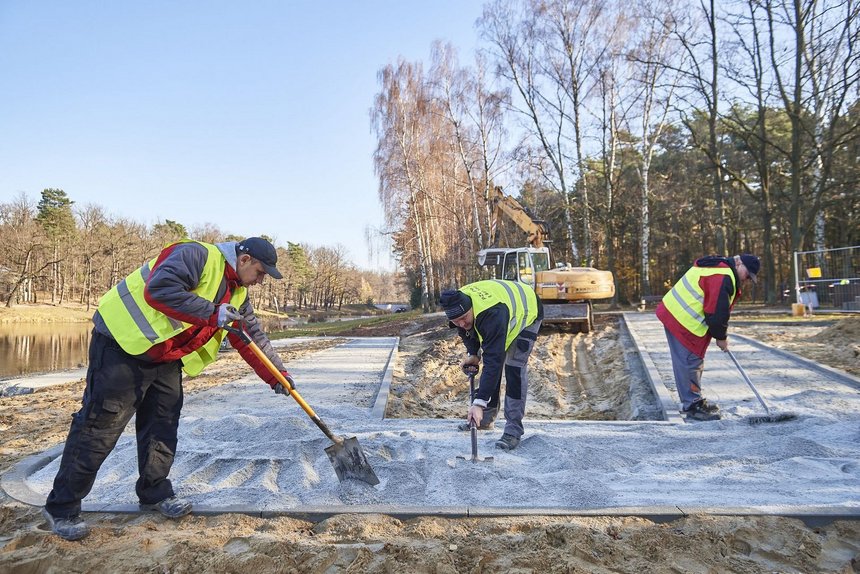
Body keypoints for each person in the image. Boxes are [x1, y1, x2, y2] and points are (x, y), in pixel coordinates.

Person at [42, 237, 295, 541]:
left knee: (163, 424)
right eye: (261, 272)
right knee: (100, 427)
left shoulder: (238, 293)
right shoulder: (196, 255)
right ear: (244, 260)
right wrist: (213, 312)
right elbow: (159, 290)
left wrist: (276, 374)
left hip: (165, 356)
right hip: (122, 345)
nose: (261, 280)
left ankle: (154, 493)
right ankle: (62, 507)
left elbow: (250, 335)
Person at [439, 279, 543, 451]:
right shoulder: (458, 303)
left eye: (464, 318)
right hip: (502, 314)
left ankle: (513, 430)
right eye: (456, 321)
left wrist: (478, 403)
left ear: (470, 308)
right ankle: (485, 419)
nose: (462, 323)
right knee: (491, 363)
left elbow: (493, 361)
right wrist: (473, 353)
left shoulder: (491, 313)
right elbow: (466, 331)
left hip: (527, 312)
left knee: (513, 368)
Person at [656, 253, 760, 421]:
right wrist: (721, 337)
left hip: (673, 313)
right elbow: (716, 311)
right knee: (691, 361)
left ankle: (692, 400)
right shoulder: (722, 275)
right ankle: (692, 405)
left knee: (685, 361)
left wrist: (720, 335)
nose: (747, 279)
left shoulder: (715, 267)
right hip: (684, 322)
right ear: (739, 263)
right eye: (747, 275)